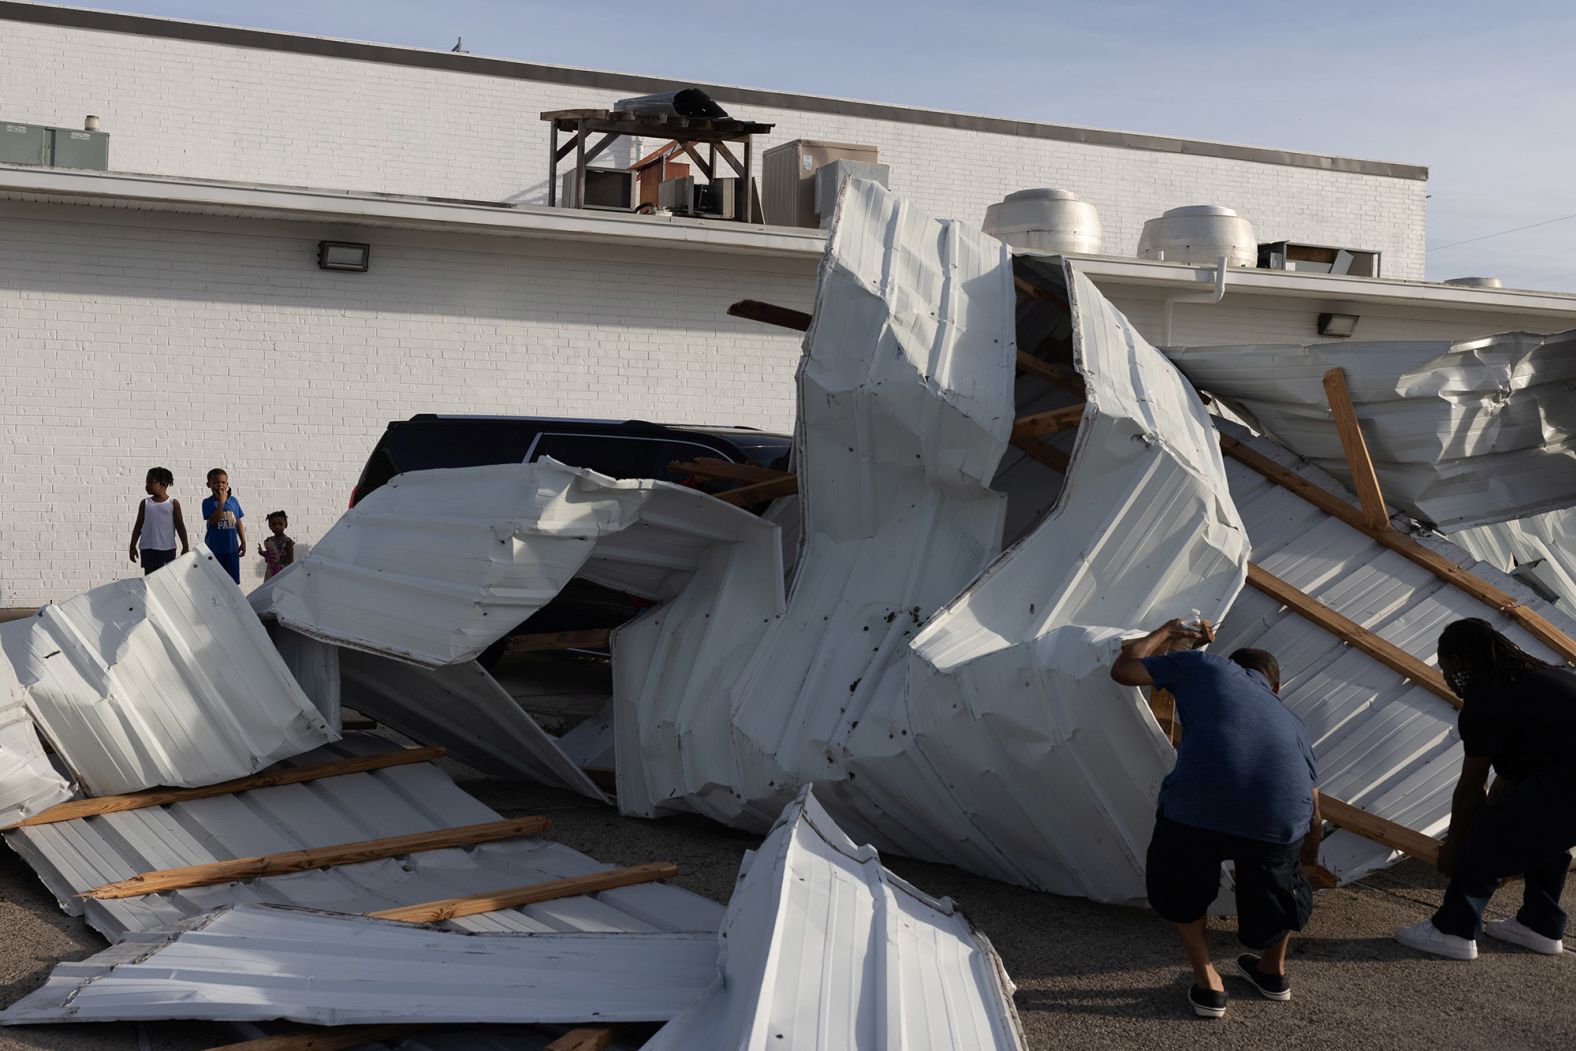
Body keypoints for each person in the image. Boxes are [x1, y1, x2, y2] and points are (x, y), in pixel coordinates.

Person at [1110, 619, 1322, 1019]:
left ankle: (1209, 984)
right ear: (1276, 687)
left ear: (1236, 666)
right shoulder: (1294, 721)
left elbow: (1125, 668)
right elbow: (1314, 816)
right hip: (1278, 817)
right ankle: (1272, 972)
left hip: (1199, 809)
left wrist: (1169, 632)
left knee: (1181, 883)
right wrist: (1299, 864)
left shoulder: (1205, 666)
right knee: (1283, 884)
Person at [1396, 618, 1576, 960]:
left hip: (1568, 778)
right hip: (1564, 778)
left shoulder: (1488, 700)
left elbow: (1471, 789)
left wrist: (1455, 846)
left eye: (1445, 666)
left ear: (1460, 661)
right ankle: (1540, 925)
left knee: (1488, 830)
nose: (1446, 678)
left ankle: (1453, 930)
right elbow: (1514, 779)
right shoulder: (1539, 679)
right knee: (1547, 833)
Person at [127, 467, 189, 574]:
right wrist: (132, 546)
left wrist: (185, 546)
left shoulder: (173, 503)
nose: (147, 485)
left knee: (166, 577)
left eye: (151, 482)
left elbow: (180, 525)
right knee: (150, 578)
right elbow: (138, 525)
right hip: (148, 548)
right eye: (147, 482)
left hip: (167, 549)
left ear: (163, 484)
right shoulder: (145, 503)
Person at [201, 468, 246, 584]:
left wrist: (243, 541)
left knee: (232, 582)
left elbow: (238, 521)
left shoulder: (233, 501)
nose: (220, 485)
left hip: (232, 550)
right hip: (214, 550)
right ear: (208, 484)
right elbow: (214, 521)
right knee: (216, 582)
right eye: (216, 482)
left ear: (227, 484)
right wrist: (221, 502)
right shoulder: (207, 502)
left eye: (223, 482)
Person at [257, 510, 295, 580]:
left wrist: (289, 575)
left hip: (282, 572)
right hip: (270, 571)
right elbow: (271, 556)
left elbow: (291, 561)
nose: (277, 526)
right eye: (274, 524)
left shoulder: (287, 542)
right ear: (269, 526)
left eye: (280, 524)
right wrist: (263, 553)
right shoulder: (269, 541)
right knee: (270, 589)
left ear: (285, 524)